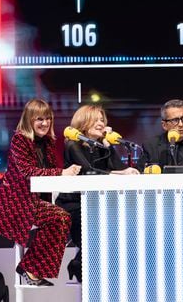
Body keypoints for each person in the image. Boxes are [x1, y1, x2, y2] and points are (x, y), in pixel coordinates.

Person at [0, 99, 81, 286]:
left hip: (33, 201)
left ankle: (31, 268)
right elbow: (28, 172)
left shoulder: (47, 142)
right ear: (29, 120)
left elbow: (48, 172)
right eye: (39, 119)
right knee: (60, 217)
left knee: (63, 217)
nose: (45, 123)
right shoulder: (20, 139)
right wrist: (61, 173)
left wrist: (65, 174)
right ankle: (30, 269)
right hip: (14, 202)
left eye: (48, 118)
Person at [56, 105, 139, 283]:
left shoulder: (100, 146)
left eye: (103, 120)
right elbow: (88, 172)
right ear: (84, 122)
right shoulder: (73, 144)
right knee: (96, 237)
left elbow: (119, 168)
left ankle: (80, 263)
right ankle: (82, 265)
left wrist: (108, 145)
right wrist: (120, 174)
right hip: (74, 205)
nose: (101, 124)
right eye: (96, 119)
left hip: (95, 205)